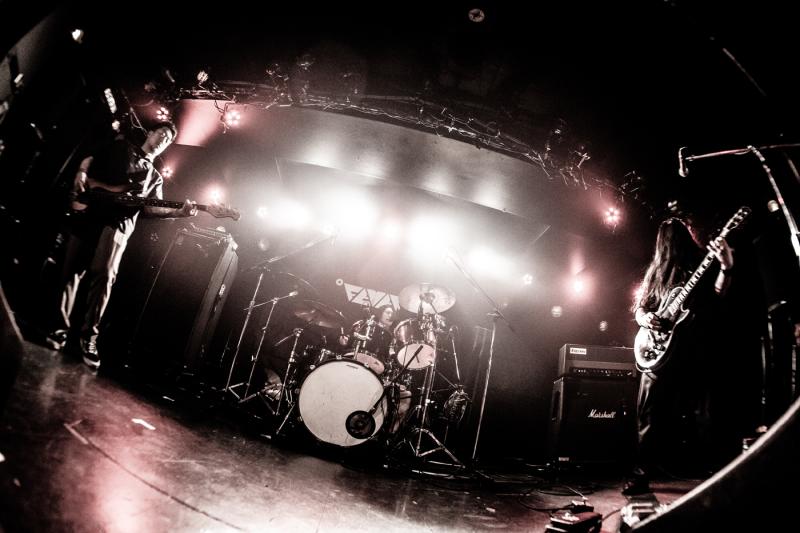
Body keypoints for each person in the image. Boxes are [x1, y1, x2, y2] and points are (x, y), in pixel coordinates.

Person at [46, 121, 197, 370]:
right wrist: (82, 172)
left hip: (117, 226)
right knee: (70, 271)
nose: (164, 139)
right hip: (89, 213)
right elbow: (91, 155)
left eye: (169, 139)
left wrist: (179, 213)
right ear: (150, 133)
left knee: (104, 277)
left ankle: (89, 338)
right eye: (162, 133)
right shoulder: (121, 147)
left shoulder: (154, 177)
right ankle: (58, 329)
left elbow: (152, 208)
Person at [624, 217, 734, 495]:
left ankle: (712, 475)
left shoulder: (699, 263)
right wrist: (646, 319)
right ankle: (640, 474)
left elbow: (718, 294)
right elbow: (641, 309)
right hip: (658, 350)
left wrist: (725, 266)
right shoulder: (656, 273)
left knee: (704, 412)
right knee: (648, 414)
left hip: (692, 347)